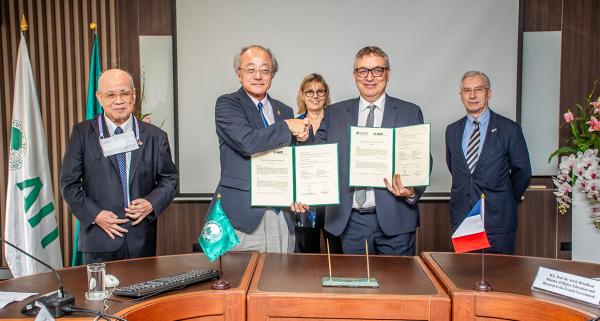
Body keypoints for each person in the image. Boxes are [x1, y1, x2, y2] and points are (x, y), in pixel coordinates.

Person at [297, 46, 430, 255]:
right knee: (357, 286)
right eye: (362, 71)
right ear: (354, 75)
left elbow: (423, 160)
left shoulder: (409, 112)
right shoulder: (335, 113)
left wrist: (412, 190)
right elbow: (316, 154)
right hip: (350, 222)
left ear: (388, 73)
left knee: (397, 286)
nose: (370, 77)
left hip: (396, 219)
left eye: (377, 70)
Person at [60, 68, 178, 263]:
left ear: (133, 95)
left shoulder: (155, 136)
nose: (119, 100)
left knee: (143, 293)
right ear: (99, 97)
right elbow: (69, 184)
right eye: (111, 94)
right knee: (102, 294)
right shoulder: (82, 134)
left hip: (141, 240)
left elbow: (169, 179)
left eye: (124, 93)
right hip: (99, 237)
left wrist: (151, 203)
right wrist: (95, 215)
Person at [210, 45, 309, 253]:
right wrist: (289, 126)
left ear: (272, 75)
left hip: (281, 213)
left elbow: (291, 160)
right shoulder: (227, 104)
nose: (258, 76)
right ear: (239, 74)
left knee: (279, 282)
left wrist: (303, 138)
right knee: (238, 281)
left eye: (265, 70)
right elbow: (247, 142)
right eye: (250, 69)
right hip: (242, 217)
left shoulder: (285, 110)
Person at [445, 70, 531, 254]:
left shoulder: (510, 129)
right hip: (464, 219)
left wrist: (505, 198)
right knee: (466, 276)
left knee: (499, 276)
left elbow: (522, 172)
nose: (472, 95)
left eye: (479, 89)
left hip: (498, 220)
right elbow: (457, 169)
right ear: (461, 96)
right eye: (467, 90)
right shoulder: (452, 130)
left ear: (489, 93)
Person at [294, 74, 343, 254]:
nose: (315, 96)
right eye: (309, 91)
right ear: (302, 95)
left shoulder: (338, 123)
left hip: (334, 201)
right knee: (307, 257)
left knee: (338, 255)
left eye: (320, 91)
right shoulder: (294, 124)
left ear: (326, 95)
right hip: (305, 203)